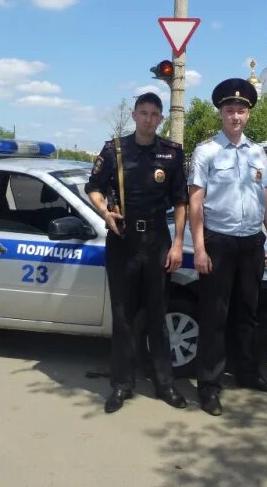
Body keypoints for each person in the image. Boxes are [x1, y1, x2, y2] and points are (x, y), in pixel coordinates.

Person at [86, 92, 188, 414]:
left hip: (157, 239)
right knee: (123, 315)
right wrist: (105, 213)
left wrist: (177, 243)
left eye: (153, 114)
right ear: (133, 115)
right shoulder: (115, 150)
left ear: (160, 119)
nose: (147, 119)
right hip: (123, 240)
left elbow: (181, 201)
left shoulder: (171, 154)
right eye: (142, 112)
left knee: (158, 316)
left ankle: (164, 383)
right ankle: (122, 384)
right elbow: (94, 187)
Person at [188, 78, 267, 416]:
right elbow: (196, 202)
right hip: (219, 243)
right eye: (230, 109)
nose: (235, 115)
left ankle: (247, 373)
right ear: (221, 112)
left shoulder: (258, 152)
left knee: (247, 313)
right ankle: (210, 386)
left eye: (241, 110)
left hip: (251, 243)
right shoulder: (206, 151)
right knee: (214, 316)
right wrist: (199, 249)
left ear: (248, 114)